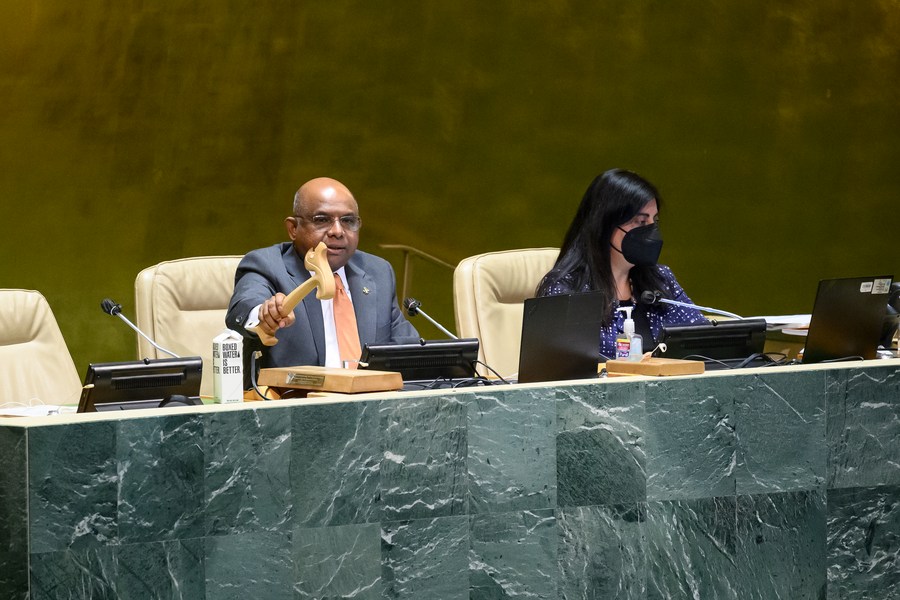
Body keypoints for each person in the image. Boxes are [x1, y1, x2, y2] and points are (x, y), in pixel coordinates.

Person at [226, 177, 419, 381]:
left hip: (370, 405)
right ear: (293, 228)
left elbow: (407, 348)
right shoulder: (267, 265)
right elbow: (244, 306)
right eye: (322, 220)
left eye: (348, 221)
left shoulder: (377, 271)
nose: (337, 231)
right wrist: (266, 315)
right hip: (297, 404)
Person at [536, 168, 707, 359]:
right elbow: (559, 371)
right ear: (605, 224)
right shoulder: (567, 290)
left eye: (654, 221)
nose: (651, 231)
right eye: (641, 222)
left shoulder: (661, 279)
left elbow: (704, 343)